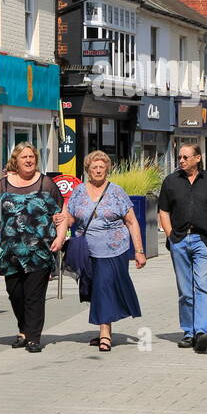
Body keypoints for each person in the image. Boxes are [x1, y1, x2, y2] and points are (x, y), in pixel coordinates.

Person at [0, 143, 67, 353]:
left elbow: (61, 214)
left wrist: (61, 236)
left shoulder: (46, 184)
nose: (29, 160)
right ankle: (23, 329)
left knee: (34, 295)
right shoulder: (3, 185)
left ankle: (33, 337)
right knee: (16, 294)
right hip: (10, 252)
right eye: (24, 157)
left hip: (39, 252)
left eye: (31, 156)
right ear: (15, 161)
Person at [65, 150, 145, 352]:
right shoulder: (78, 192)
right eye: (94, 167)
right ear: (88, 170)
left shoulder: (117, 192)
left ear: (107, 169)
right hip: (87, 251)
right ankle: (104, 324)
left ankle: (105, 334)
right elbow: (71, 219)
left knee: (104, 288)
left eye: (102, 167)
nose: (98, 170)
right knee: (94, 290)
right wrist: (59, 222)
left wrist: (139, 251)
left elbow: (132, 222)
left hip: (113, 249)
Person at [158, 143, 207, 353]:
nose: (181, 160)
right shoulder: (171, 181)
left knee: (204, 286)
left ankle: (201, 332)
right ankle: (188, 332)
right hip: (179, 240)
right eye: (180, 157)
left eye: (186, 157)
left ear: (198, 158)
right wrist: (171, 235)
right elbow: (163, 211)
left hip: (203, 241)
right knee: (186, 290)